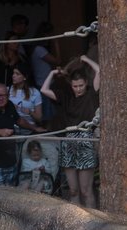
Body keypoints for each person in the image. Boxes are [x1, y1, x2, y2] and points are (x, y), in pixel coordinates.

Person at [41, 56, 100, 208]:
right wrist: (53, 73)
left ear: (86, 83)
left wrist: (87, 59)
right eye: (75, 86)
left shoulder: (91, 94)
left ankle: (93, 223)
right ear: (71, 85)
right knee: (73, 190)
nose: (78, 89)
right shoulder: (66, 97)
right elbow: (44, 89)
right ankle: (77, 224)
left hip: (86, 140)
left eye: (81, 85)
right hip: (69, 141)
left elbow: (99, 70)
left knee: (86, 190)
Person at [7, 64, 46, 134]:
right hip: (11, 129)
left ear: (24, 77)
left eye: (17, 74)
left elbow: (39, 118)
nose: (13, 76)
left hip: (30, 129)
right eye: (13, 73)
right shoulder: (7, 90)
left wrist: (30, 112)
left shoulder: (35, 93)